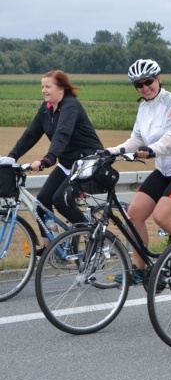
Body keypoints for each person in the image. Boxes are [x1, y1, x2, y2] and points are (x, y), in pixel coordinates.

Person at [105, 59, 171, 284]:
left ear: (159, 78)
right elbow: (136, 139)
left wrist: (151, 150)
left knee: (162, 216)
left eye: (148, 81)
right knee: (134, 215)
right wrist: (111, 152)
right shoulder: (144, 107)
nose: (145, 88)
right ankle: (140, 270)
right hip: (164, 170)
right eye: (138, 85)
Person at [1, 70, 103, 254]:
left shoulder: (70, 106)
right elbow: (31, 134)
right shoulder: (47, 108)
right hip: (68, 163)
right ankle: (51, 246)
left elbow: (62, 134)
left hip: (87, 161)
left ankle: (93, 235)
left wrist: (48, 159)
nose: (44, 90)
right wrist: (11, 157)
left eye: (48, 86)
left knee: (60, 199)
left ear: (61, 88)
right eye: (42, 86)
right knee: (42, 202)